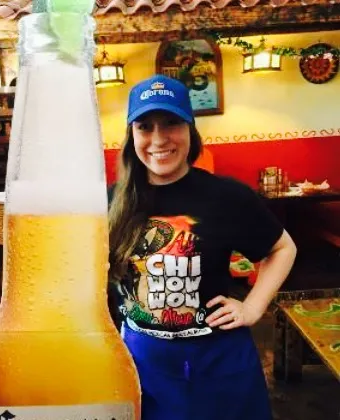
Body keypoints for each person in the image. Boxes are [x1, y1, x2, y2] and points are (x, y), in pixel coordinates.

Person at [107, 74, 297, 420]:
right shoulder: (110, 202)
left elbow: (283, 248)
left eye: (171, 123)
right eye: (145, 127)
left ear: (190, 130)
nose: (158, 139)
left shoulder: (225, 195)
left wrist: (253, 307)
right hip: (142, 363)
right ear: (131, 135)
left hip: (220, 361)